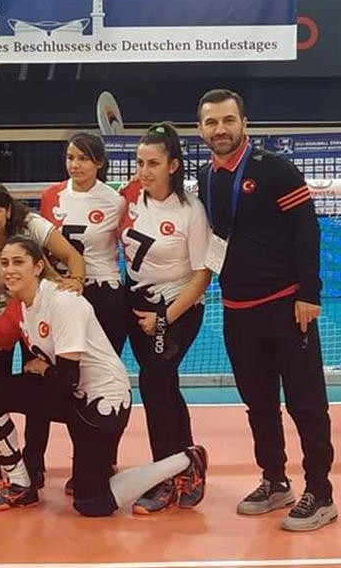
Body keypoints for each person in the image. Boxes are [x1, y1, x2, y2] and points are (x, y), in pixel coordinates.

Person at [0, 236, 207, 516]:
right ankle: (20, 485)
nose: (9, 270)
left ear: (38, 266)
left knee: (92, 504)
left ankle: (185, 460)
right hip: (70, 392)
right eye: (4, 263)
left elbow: (67, 378)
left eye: (18, 262)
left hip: (102, 401)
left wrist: (41, 368)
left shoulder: (62, 302)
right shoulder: (19, 307)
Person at [197, 89, 337, 532]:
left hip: (286, 307)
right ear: (201, 130)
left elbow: (306, 229)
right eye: (211, 122)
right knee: (258, 404)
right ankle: (275, 481)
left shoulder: (276, 169)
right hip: (237, 312)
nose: (220, 129)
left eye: (228, 120)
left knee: (306, 405)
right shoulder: (206, 177)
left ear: (244, 123)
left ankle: (321, 493)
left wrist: (309, 294)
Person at [0, 178, 85, 493]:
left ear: (8, 210)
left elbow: (72, 256)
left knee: (37, 388)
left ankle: (34, 463)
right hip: (0, 316)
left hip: (37, 313)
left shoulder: (31, 225)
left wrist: (77, 281)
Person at [119, 123, 211, 515]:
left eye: (153, 163)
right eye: (140, 162)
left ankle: (164, 477)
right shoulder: (129, 197)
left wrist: (163, 319)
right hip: (135, 301)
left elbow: (202, 275)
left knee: (154, 383)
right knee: (165, 385)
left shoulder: (191, 211)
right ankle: (190, 464)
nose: (144, 170)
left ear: (173, 165)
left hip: (176, 308)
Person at [40, 133, 129, 355]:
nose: (75, 165)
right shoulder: (51, 195)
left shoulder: (115, 201)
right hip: (61, 287)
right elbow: (42, 244)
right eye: (70, 158)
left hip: (103, 290)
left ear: (99, 162)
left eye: (83, 158)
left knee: (104, 362)